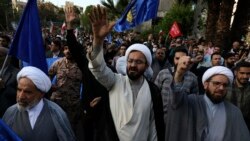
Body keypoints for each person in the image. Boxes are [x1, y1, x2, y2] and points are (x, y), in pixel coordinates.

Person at [87, 5, 164, 141]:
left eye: (138, 62)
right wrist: (98, 41)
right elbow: (98, 67)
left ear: (147, 66)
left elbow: (154, 126)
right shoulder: (115, 81)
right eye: (130, 61)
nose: (133, 65)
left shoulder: (153, 91)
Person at [165, 59, 250, 141]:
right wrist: (179, 74)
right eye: (216, 83)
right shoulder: (192, 102)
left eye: (225, 85)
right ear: (205, 85)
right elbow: (176, 100)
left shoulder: (234, 111)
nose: (221, 88)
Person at [2, 66, 76, 141]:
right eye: (19, 90)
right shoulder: (10, 113)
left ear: (41, 94)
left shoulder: (56, 114)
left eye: (28, 92)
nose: (21, 96)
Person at [48, 42, 83, 135]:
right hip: (57, 101)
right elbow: (48, 75)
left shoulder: (82, 65)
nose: (68, 51)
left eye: (70, 49)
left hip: (73, 105)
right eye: (66, 48)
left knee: (70, 130)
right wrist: (50, 85)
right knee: (54, 128)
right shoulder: (59, 62)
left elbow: (88, 84)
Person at [226, 61, 250, 131]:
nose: (245, 76)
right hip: (228, 125)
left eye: (248, 74)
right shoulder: (226, 87)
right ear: (235, 73)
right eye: (242, 73)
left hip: (246, 126)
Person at [0, 47, 19, 117]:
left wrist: (3, 87)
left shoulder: (17, 74)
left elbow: (19, 93)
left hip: (6, 114)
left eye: (0, 56)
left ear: (7, 58)